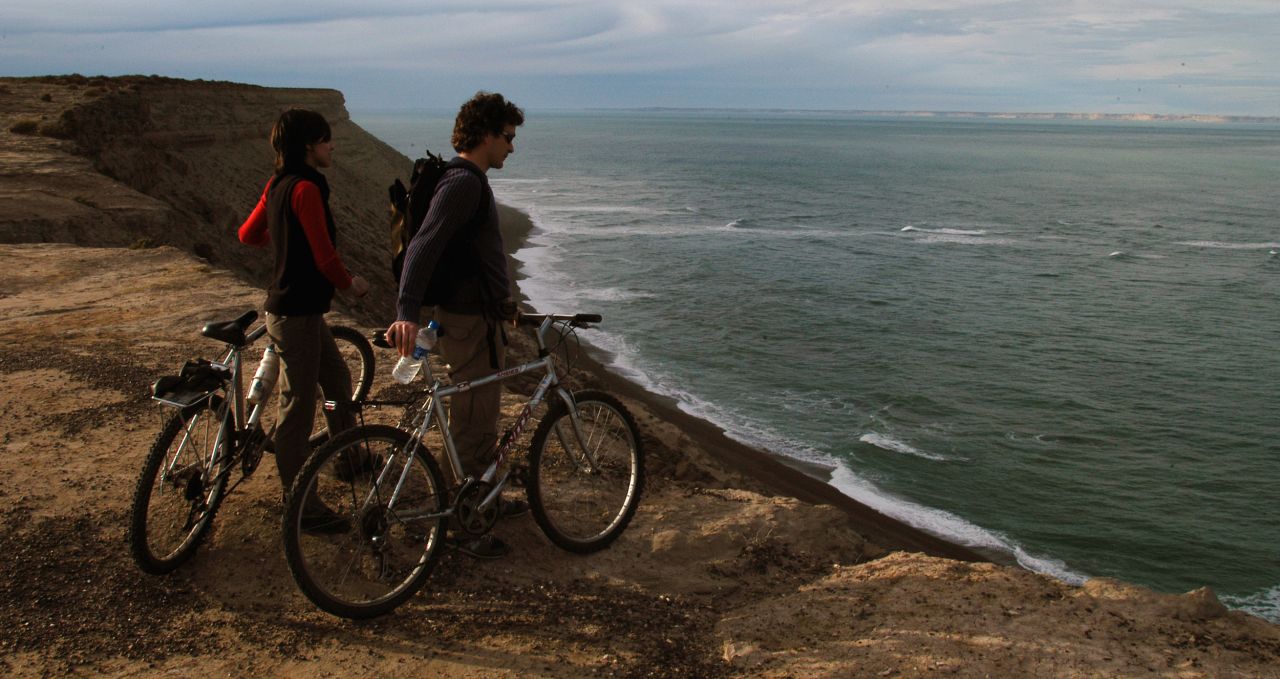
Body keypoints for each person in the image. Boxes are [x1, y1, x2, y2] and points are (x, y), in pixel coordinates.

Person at [386, 92, 525, 559]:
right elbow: (424, 245)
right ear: (485, 134)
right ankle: (461, 526)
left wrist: (504, 303)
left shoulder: (466, 180)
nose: (511, 147)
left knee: (478, 415)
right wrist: (405, 311)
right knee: (473, 421)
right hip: (468, 325)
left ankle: (480, 498)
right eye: (507, 137)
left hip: (475, 319)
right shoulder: (463, 183)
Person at [238, 108, 370, 532]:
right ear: (310, 146)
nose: (333, 146)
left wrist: (282, 239)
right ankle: (302, 507)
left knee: (336, 381)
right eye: (327, 139)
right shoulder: (307, 189)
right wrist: (352, 285)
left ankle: (347, 457)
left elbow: (248, 235)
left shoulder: (277, 184)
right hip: (295, 315)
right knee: (295, 412)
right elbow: (325, 256)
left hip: (300, 311)